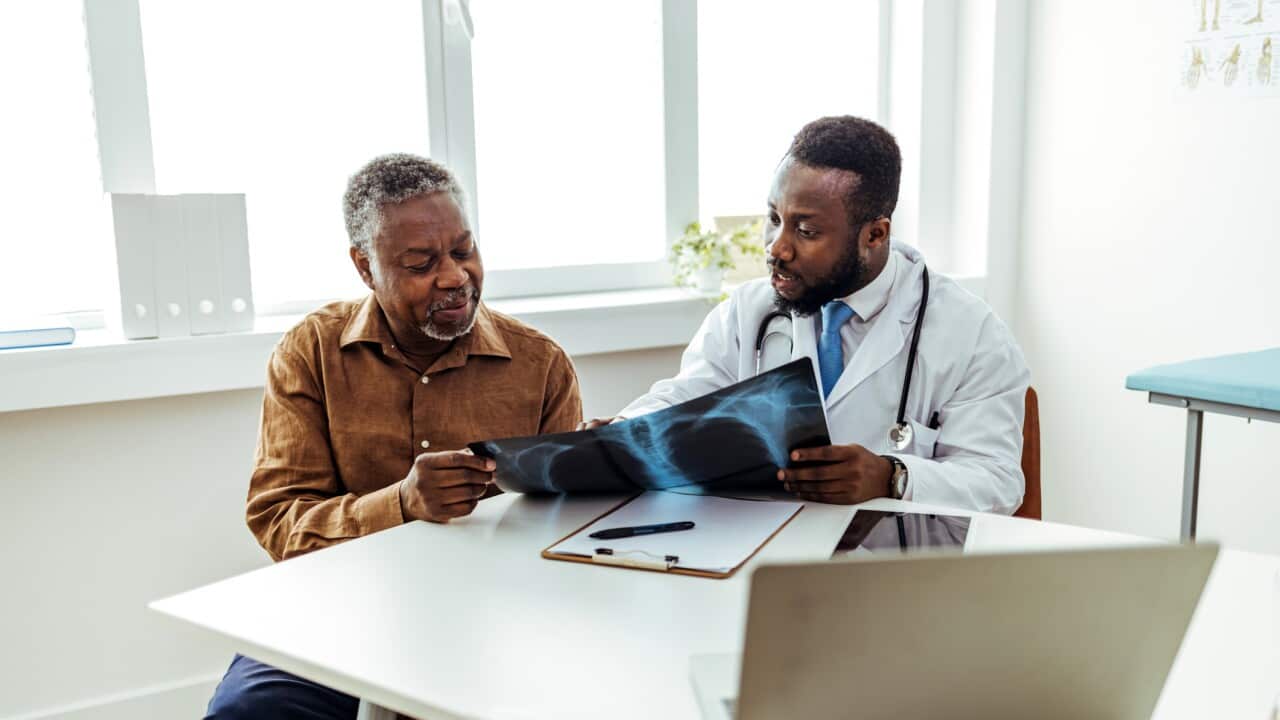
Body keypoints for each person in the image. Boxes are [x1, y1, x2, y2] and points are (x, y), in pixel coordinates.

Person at [206, 153, 582, 719]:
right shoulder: (312, 353)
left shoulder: (542, 365)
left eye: (463, 250)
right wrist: (401, 504)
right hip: (333, 610)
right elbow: (279, 521)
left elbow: (567, 527)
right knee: (246, 713)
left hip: (491, 617)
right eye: (421, 261)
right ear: (365, 267)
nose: (455, 276)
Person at [587, 116, 1029, 513]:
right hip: (759, 552)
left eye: (806, 230)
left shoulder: (971, 334)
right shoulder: (749, 311)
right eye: (774, 218)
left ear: (875, 234)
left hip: (889, 573)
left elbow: (996, 479)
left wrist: (891, 476)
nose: (776, 248)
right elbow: (687, 398)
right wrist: (627, 428)